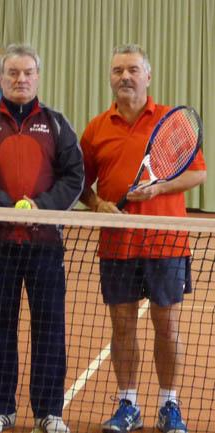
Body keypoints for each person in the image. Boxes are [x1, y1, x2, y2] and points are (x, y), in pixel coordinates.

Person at [80, 44, 206, 433]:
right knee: (122, 327)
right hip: (117, 245)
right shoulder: (96, 128)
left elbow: (198, 173)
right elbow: (80, 182)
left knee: (166, 326)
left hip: (166, 244)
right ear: (110, 77)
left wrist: (159, 188)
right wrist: (97, 203)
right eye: (118, 70)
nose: (125, 76)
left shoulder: (171, 121)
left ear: (147, 76)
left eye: (133, 69)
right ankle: (128, 403)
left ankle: (169, 403)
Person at [0, 44, 83, 433]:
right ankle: (1, 408)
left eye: (28, 72)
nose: (21, 79)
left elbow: (74, 177)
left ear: (38, 77)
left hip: (45, 246)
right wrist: (7, 208)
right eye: (13, 73)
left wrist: (40, 208)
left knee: (49, 328)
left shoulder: (57, 123)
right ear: (0, 78)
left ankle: (49, 412)